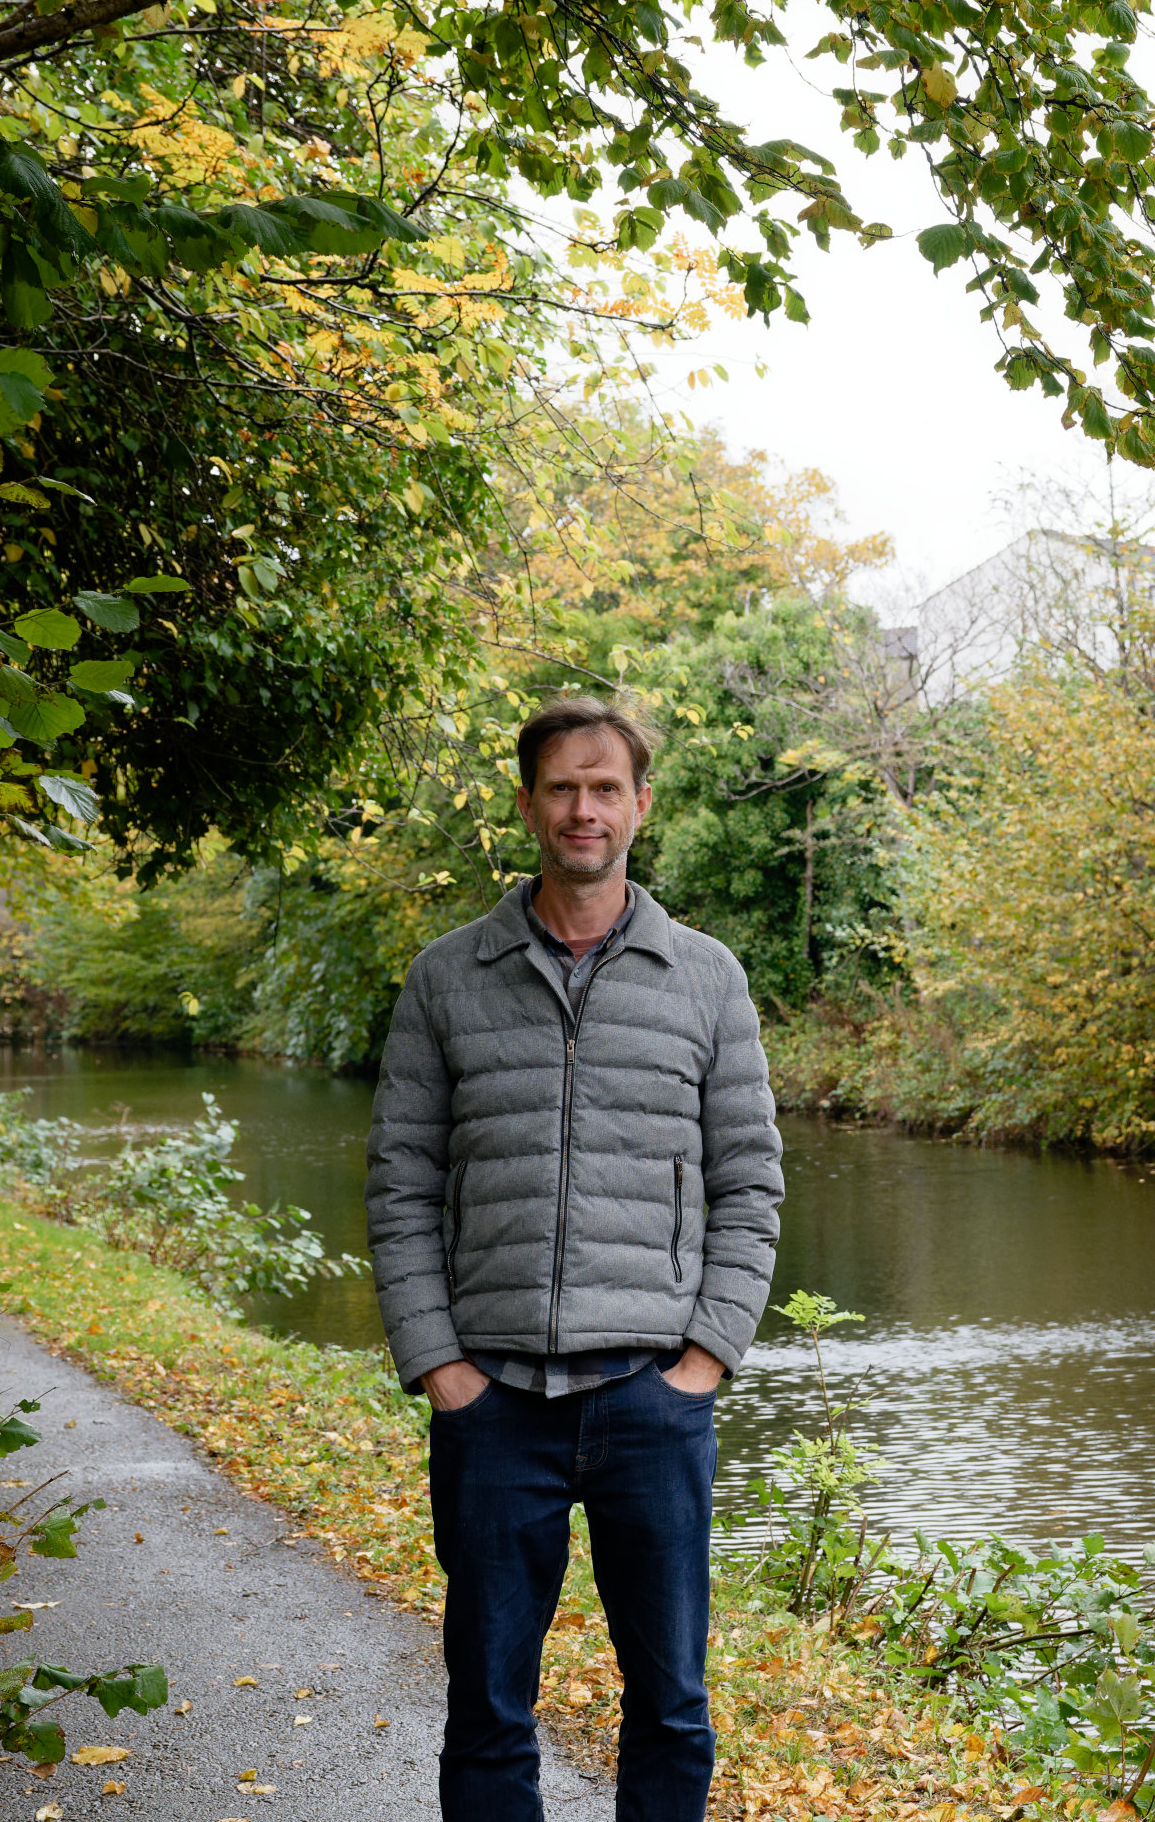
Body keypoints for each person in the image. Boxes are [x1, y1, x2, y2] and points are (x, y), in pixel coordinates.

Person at [366, 695, 784, 1822]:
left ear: (641, 804)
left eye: (606, 787)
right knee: (489, 1709)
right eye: (562, 786)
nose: (583, 808)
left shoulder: (707, 978)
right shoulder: (447, 977)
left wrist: (705, 1357)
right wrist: (441, 1366)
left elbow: (750, 1185)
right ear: (527, 803)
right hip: (494, 1403)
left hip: (654, 1399)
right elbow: (401, 1184)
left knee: (673, 1705)